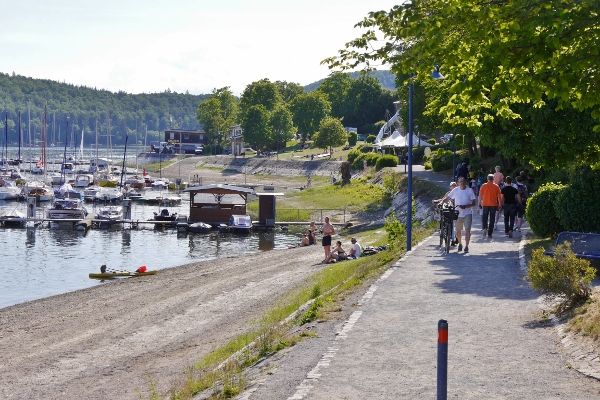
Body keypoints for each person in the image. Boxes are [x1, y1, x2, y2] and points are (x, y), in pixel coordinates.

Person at [448, 177, 477, 253]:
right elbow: (448, 197)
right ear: (458, 183)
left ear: (465, 182)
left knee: (467, 231)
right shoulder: (456, 190)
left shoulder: (469, 190)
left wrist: (466, 206)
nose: (462, 183)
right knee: (458, 231)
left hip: (468, 213)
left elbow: (474, 203)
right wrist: (441, 202)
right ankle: (460, 244)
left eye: (463, 181)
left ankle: (466, 246)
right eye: (460, 181)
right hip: (458, 214)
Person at [479, 174, 502, 238]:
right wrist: (500, 204)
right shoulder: (496, 186)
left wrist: (479, 203)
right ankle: (490, 233)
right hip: (493, 205)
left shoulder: (483, 186)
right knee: (492, 219)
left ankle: (484, 228)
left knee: (484, 218)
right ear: (493, 179)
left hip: (485, 204)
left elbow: (480, 195)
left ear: (487, 179)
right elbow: (499, 196)